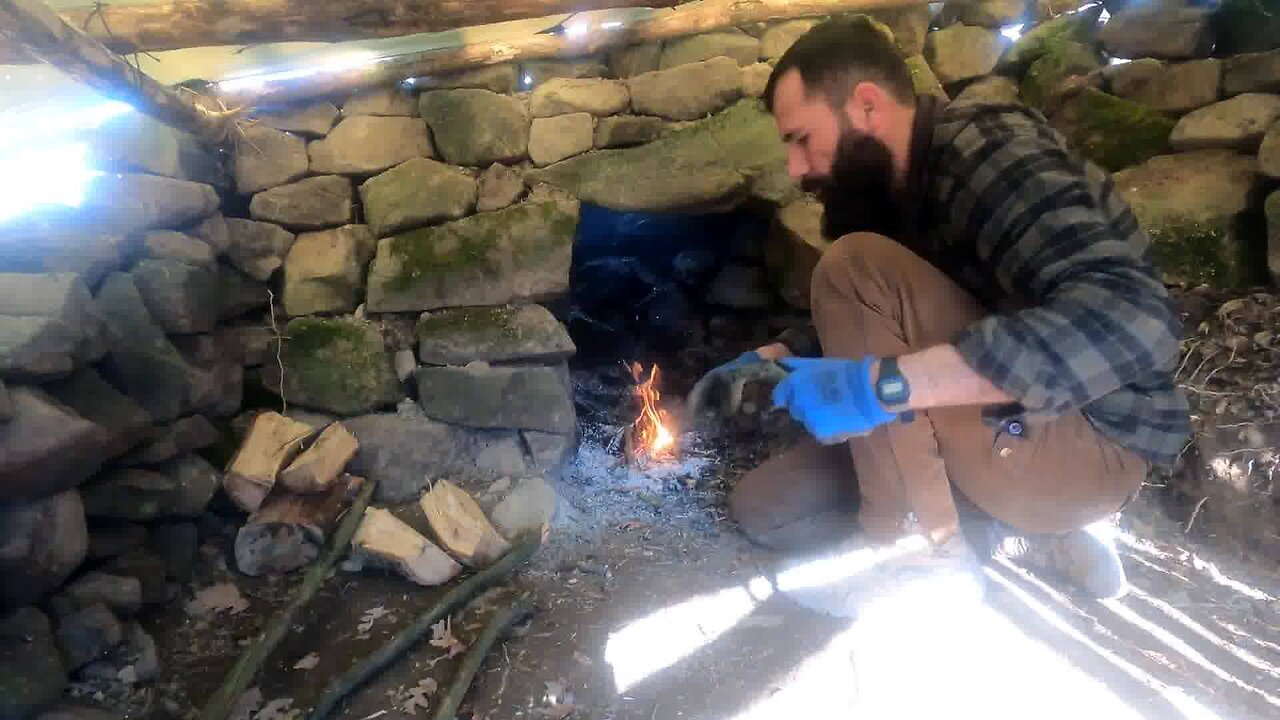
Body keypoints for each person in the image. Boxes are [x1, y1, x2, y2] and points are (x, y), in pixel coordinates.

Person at [688, 16, 1190, 609]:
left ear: (867, 106)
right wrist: (775, 359)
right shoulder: (881, 193)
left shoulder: (988, 151)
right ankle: (1019, 532)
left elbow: (1137, 318)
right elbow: (893, 323)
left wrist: (887, 384)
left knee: (854, 267)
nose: (796, 169)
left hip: (1089, 441)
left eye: (801, 139)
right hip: (996, 434)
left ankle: (919, 559)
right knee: (768, 512)